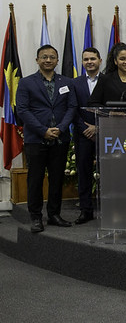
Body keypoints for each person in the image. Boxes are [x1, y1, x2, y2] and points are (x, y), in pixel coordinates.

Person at [16, 45, 77, 232]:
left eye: (52, 57)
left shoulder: (67, 82)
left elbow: (72, 107)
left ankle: (54, 215)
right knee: (35, 179)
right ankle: (36, 217)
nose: (48, 60)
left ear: (57, 60)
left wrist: (60, 128)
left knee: (57, 178)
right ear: (37, 60)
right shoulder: (26, 83)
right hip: (36, 139)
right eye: (44, 57)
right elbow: (23, 110)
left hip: (60, 138)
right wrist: (43, 130)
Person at [72, 48, 102, 224]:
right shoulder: (74, 83)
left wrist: (98, 127)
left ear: (99, 60)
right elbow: (71, 109)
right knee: (84, 172)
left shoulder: (109, 81)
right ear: (82, 62)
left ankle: (110, 208)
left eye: (92, 58)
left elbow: (112, 107)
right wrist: (85, 128)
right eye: (86, 59)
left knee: (110, 172)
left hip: (106, 132)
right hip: (83, 134)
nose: (89, 62)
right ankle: (86, 210)